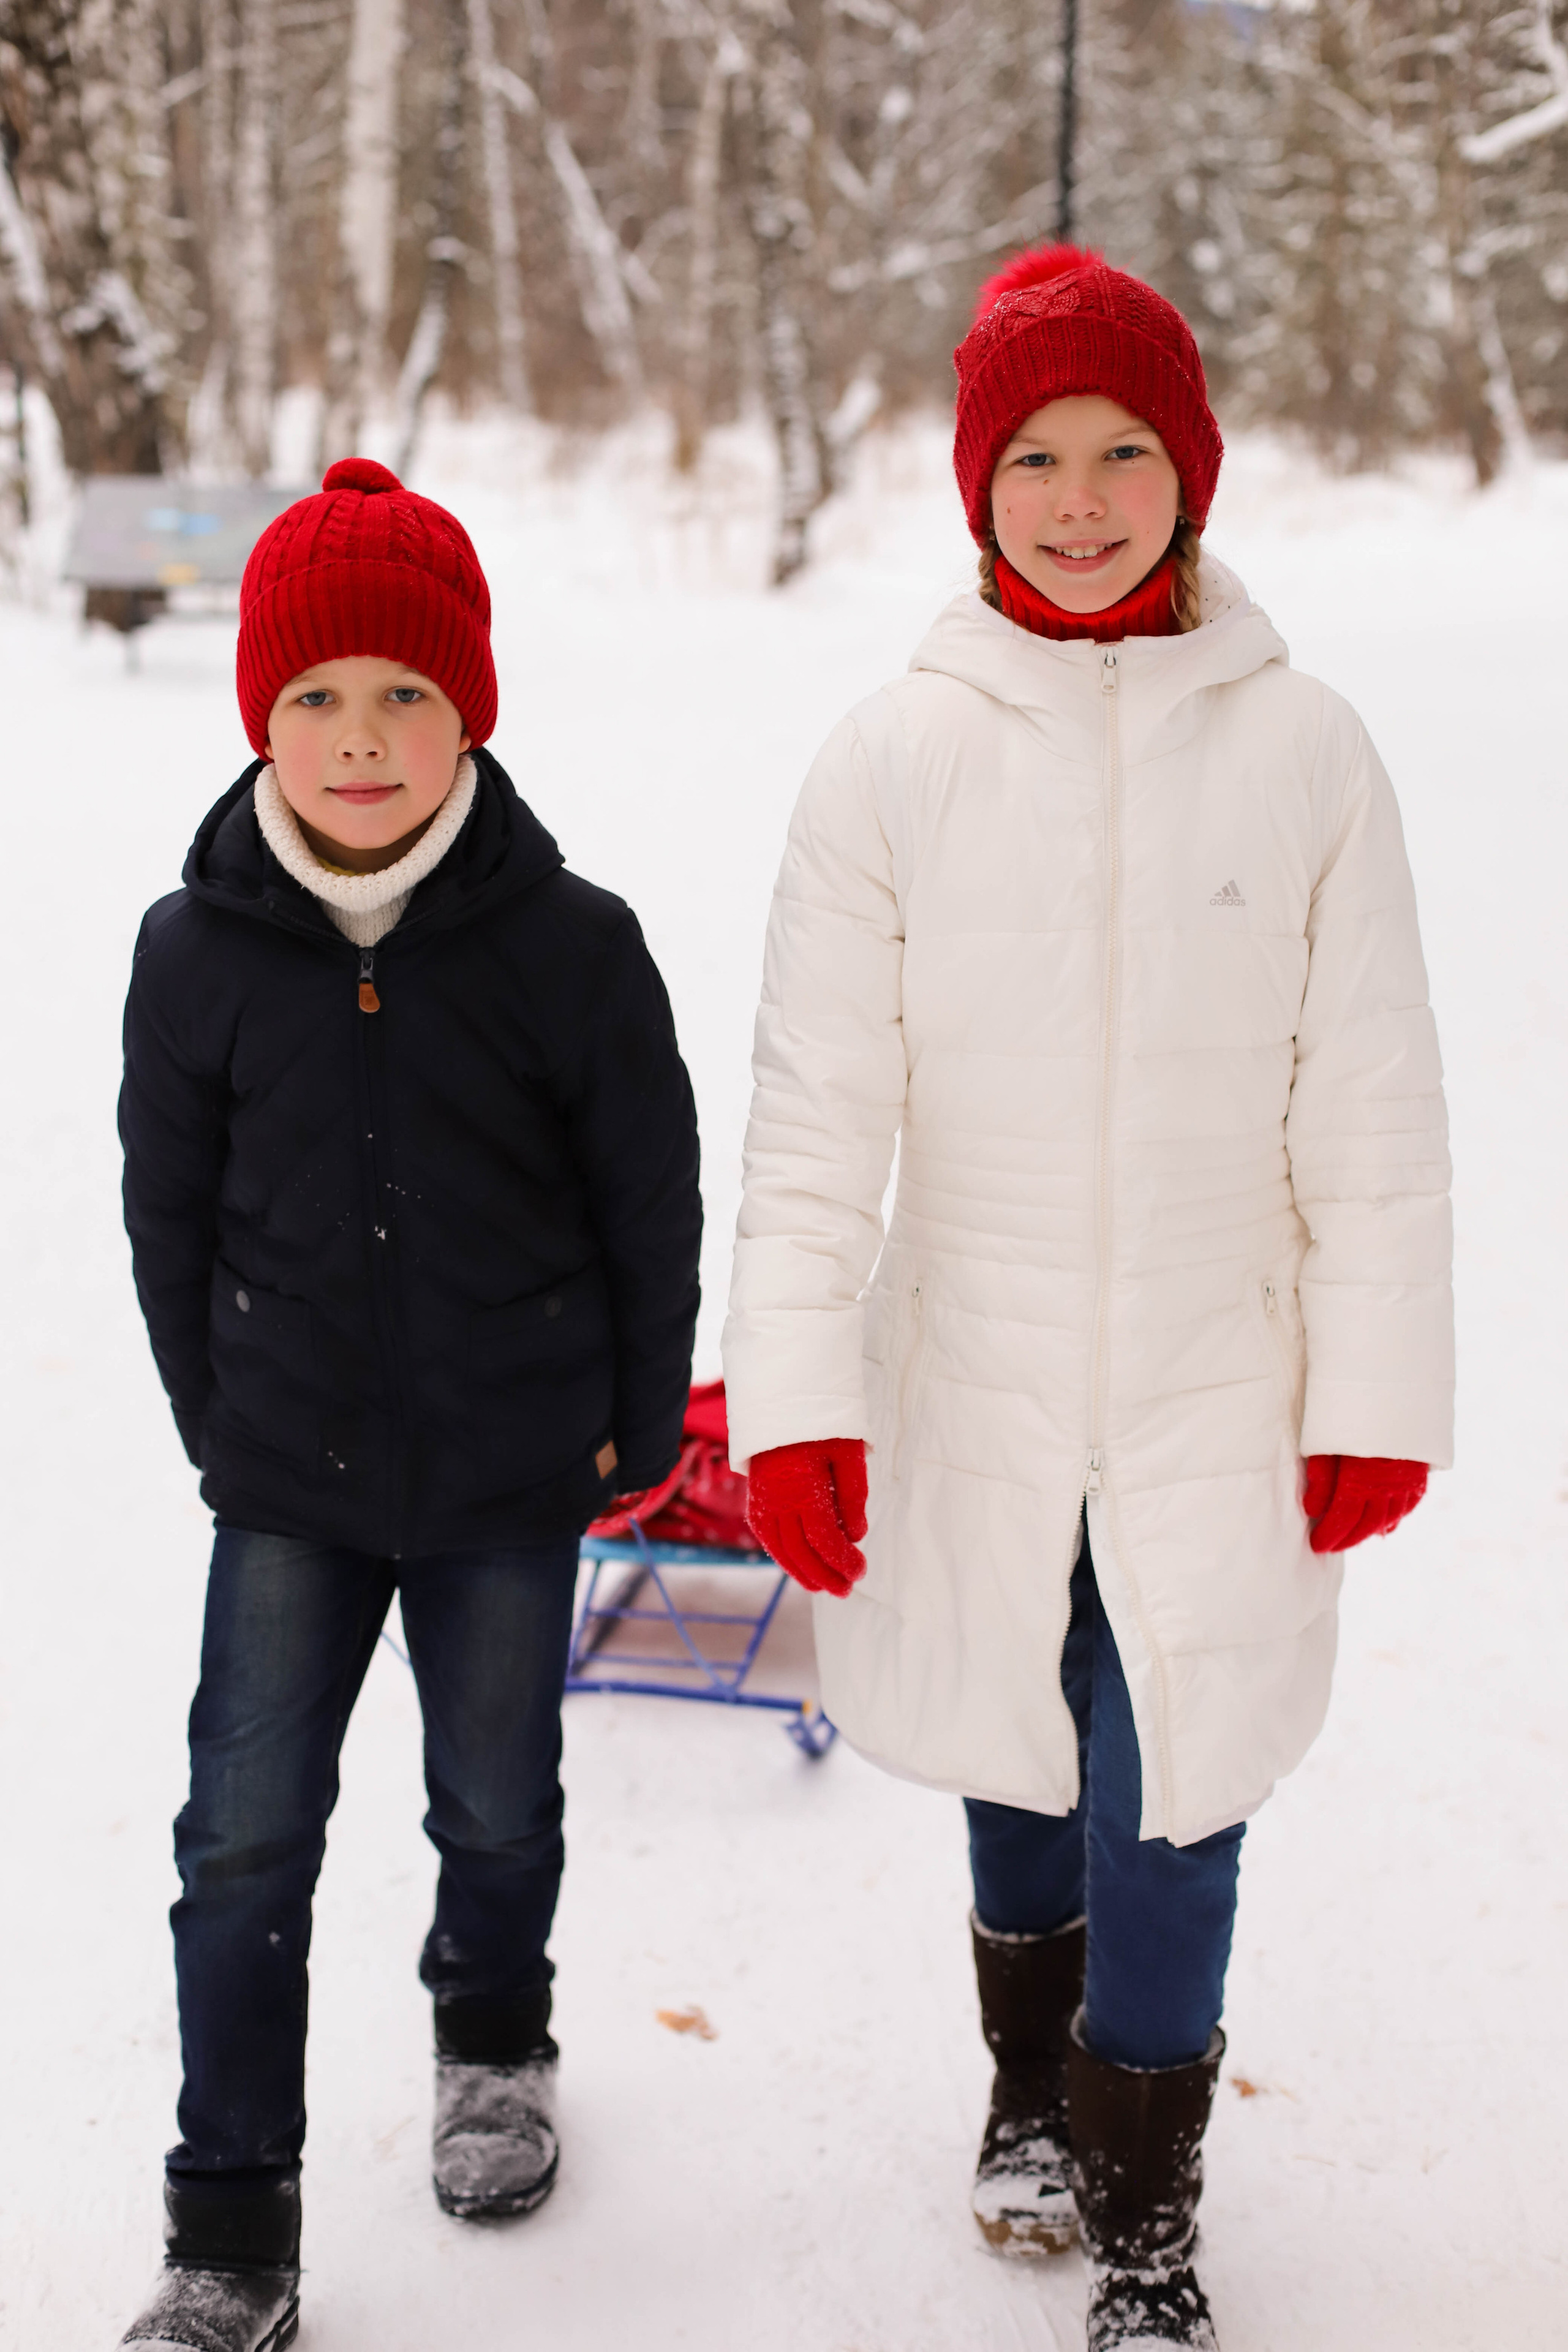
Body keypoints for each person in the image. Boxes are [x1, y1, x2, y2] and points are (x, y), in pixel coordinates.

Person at [723, 247, 1452, 2351]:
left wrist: (1376, 1384)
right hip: (980, 1376)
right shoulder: (891, 761)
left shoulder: (1310, 752)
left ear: (1191, 472)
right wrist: (794, 1400)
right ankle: (1028, 2093)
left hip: (1227, 1377)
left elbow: (1377, 1107)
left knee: (1177, 1785)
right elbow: (810, 1119)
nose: (1077, 497)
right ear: (977, 490)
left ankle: (1148, 2217)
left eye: (1124, 450)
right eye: (1032, 457)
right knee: (1021, 1756)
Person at [116, 459, 701, 2352]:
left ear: (470, 712)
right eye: (313, 699)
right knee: (241, 1839)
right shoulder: (193, 951)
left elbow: (647, 1198)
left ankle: (494, 2044)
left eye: (403, 696)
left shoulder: (569, 943)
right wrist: (227, 1422)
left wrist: (632, 1415)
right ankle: (229, 2233)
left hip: (514, 1470)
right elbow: (166, 1212)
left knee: (495, 1800)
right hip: (288, 1475)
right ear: (258, 716)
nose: (358, 741)